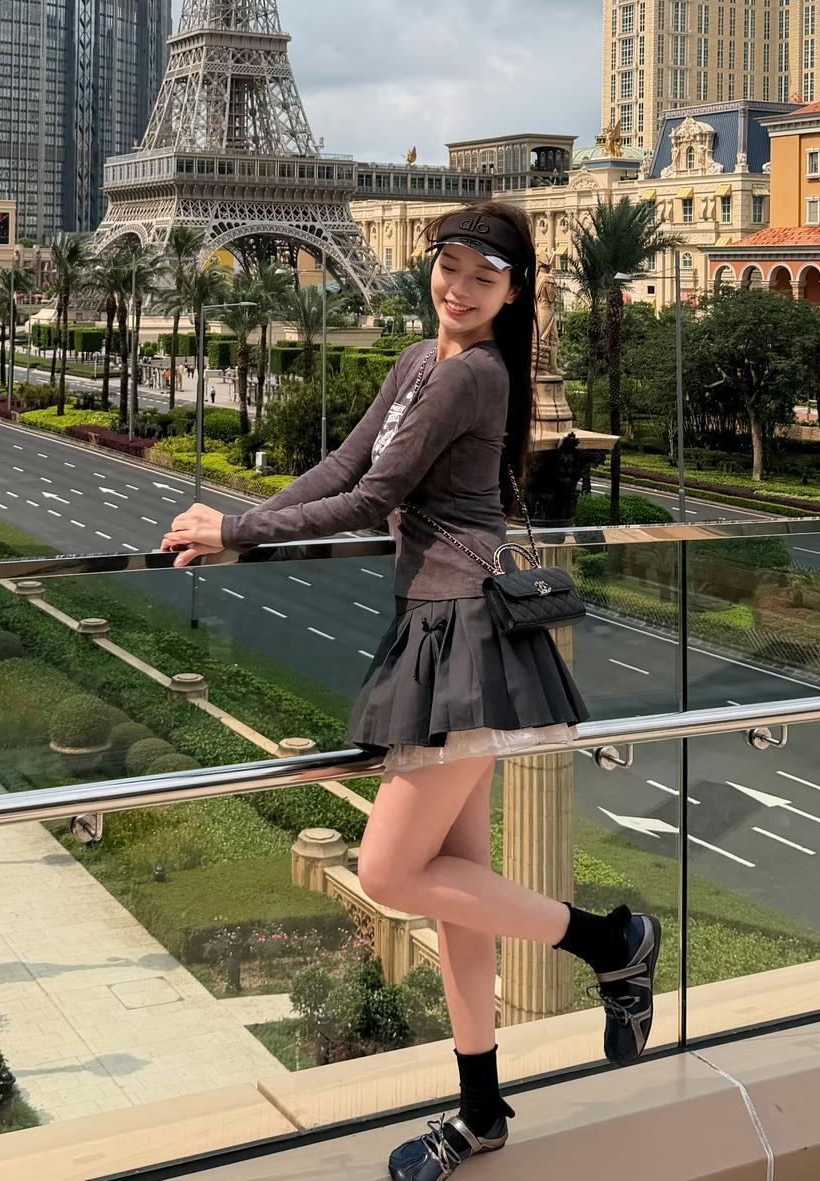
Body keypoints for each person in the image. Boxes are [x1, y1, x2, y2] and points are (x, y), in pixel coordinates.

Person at [163, 205, 661, 1179]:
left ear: (513, 291)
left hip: (461, 635)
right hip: (434, 630)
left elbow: (373, 496)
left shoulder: (476, 373)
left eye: (484, 275)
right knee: (457, 899)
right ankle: (479, 1113)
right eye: (449, 265)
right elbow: (340, 463)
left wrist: (237, 534)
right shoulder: (416, 361)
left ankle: (612, 939)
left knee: (389, 871)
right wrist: (238, 523)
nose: (459, 287)